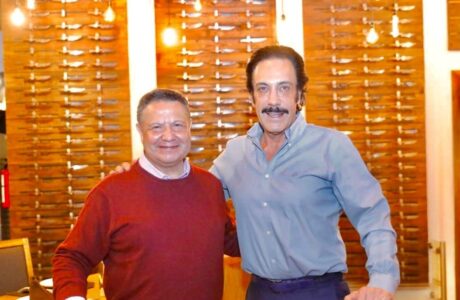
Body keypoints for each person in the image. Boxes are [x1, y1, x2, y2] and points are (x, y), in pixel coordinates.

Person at [209, 45, 400, 300]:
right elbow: (197, 197)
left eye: (284, 88)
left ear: (300, 95)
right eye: (263, 89)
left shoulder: (332, 147)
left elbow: (373, 216)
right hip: (258, 293)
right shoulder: (235, 154)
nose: (273, 101)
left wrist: (382, 281)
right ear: (252, 97)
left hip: (319, 292)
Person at [52, 88, 239, 300]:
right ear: (140, 132)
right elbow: (72, 257)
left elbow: (230, 241)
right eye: (156, 127)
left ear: (189, 129)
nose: (168, 136)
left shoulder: (210, 186)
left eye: (177, 125)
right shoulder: (110, 193)